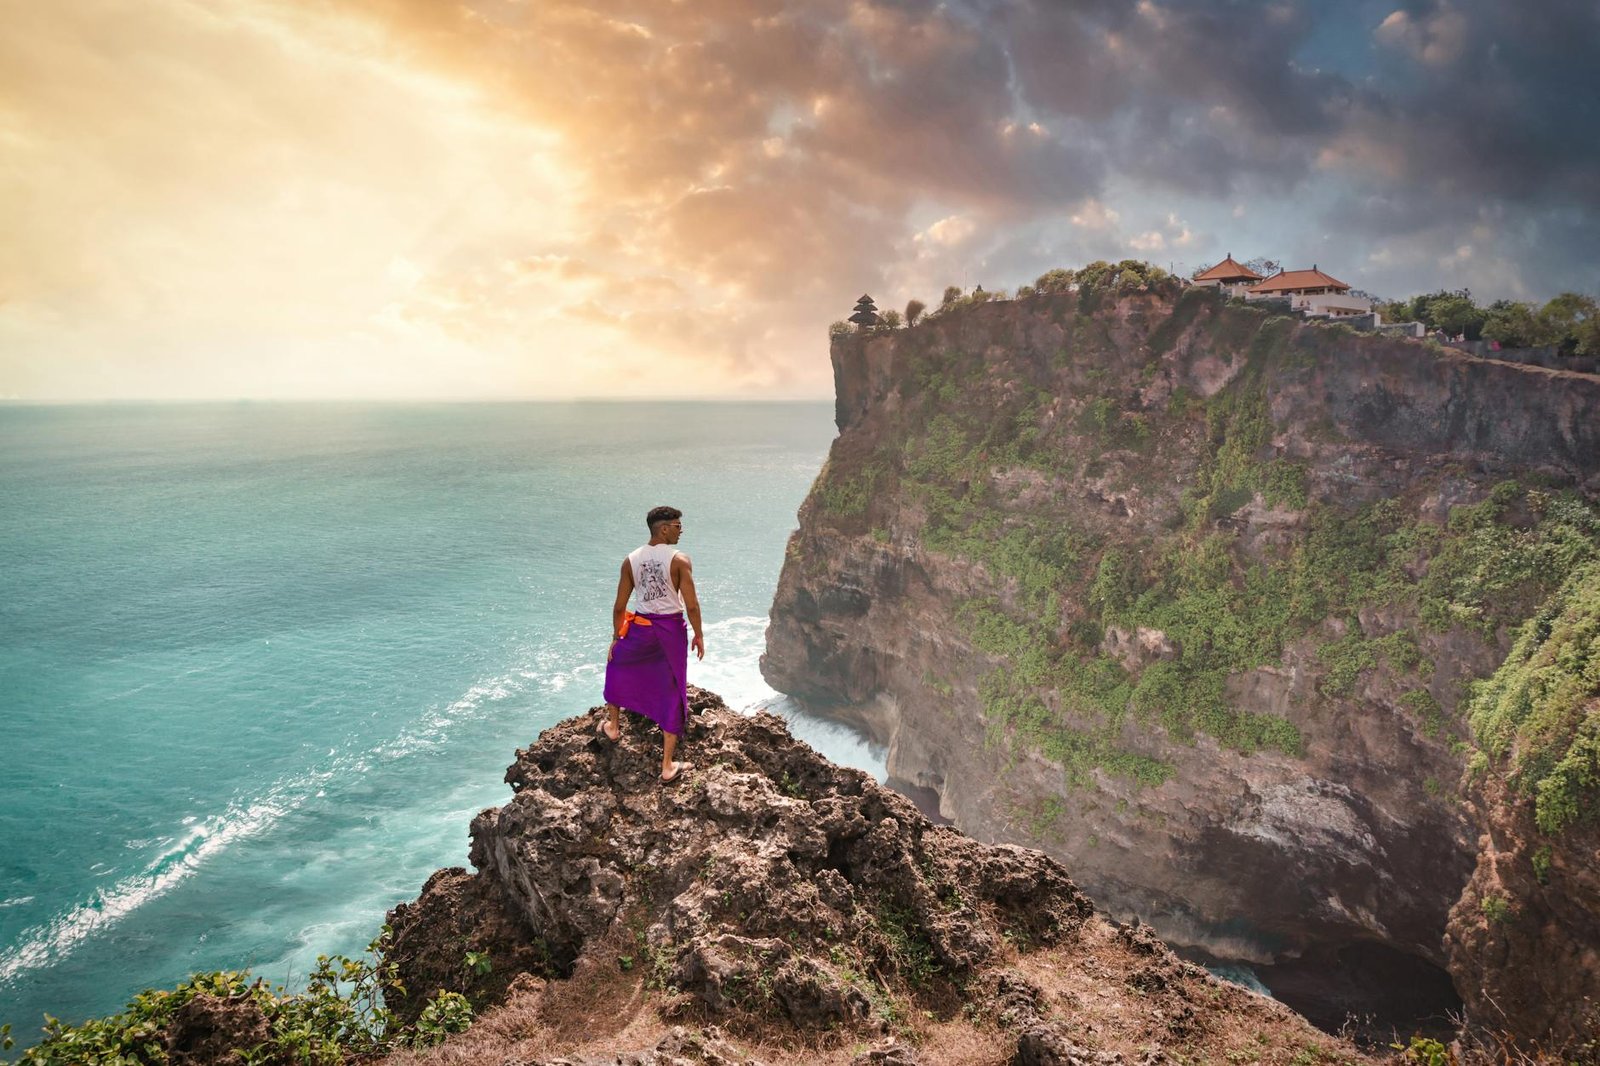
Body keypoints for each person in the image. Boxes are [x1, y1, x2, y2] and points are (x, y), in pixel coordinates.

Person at [599, 505, 704, 782]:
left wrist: (616, 637)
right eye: (678, 526)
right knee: (672, 687)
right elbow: (691, 605)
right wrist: (699, 634)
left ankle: (613, 725)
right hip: (669, 630)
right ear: (664, 528)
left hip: (641, 629)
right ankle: (667, 765)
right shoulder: (680, 560)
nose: (681, 531)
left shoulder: (630, 560)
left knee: (617, 664)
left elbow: (619, 607)